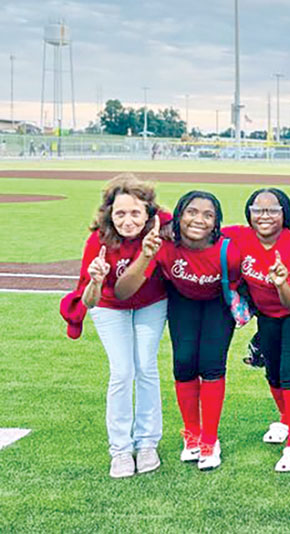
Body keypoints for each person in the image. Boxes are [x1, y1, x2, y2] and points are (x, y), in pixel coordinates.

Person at [116, 190, 241, 471]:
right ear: (179, 216)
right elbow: (122, 292)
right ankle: (192, 434)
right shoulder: (163, 245)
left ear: (217, 222)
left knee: (211, 366)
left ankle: (210, 439)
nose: (199, 220)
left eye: (208, 215)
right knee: (184, 364)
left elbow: (245, 280)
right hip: (183, 302)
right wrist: (146, 257)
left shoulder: (229, 249)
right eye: (191, 212)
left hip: (217, 306)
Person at [69, 174, 168, 478]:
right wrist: (96, 279)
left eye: (135, 212)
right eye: (120, 213)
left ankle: (148, 442)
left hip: (151, 302)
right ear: (110, 214)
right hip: (110, 305)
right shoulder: (98, 240)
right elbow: (88, 299)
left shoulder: (160, 227)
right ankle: (121, 450)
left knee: (146, 367)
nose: (127, 220)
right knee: (122, 371)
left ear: (148, 212)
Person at [222, 189, 290, 473]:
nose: (264, 216)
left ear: (285, 213)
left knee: (289, 373)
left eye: (273, 210)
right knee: (272, 372)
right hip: (268, 316)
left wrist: (280, 283)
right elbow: (199, 231)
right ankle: (286, 419)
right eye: (257, 209)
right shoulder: (238, 235)